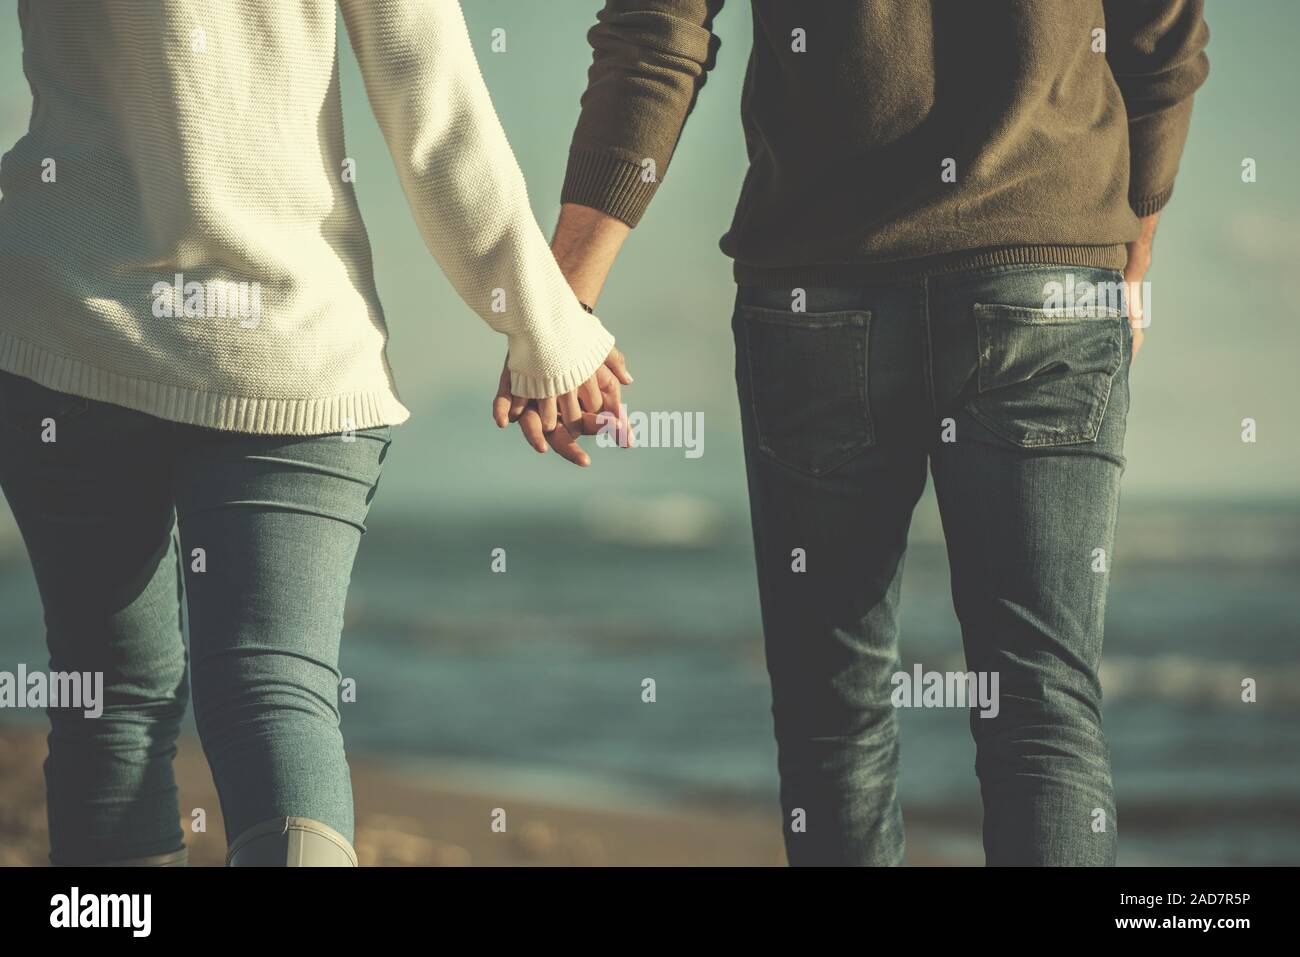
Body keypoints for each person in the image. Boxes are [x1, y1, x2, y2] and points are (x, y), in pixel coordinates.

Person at [537, 0, 1209, 865]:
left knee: (834, 714)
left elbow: (656, 30)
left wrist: (563, 301)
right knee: (1042, 709)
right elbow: (1162, 36)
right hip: (1048, 264)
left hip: (821, 287)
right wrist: (1133, 250)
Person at [0, 0, 627, 866]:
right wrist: (541, 325)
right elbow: (426, 93)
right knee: (274, 694)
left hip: (65, 325)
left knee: (109, 705)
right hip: (288, 345)